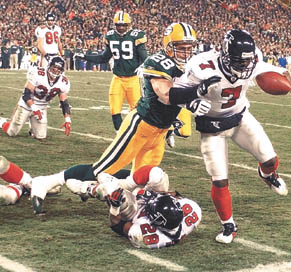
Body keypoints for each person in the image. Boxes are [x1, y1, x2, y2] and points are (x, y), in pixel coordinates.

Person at [31, 22, 215, 213]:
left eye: (189, 48)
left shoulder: (188, 66)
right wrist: (196, 93)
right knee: (101, 170)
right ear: (169, 45)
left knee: (141, 178)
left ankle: (103, 192)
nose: (186, 52)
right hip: (141, 125)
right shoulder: (158, 61)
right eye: (181, 48)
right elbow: (166, 94)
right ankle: (46, 181)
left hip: (160, 131)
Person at [173, 29, 291, 244]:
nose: (245, 67)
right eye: (240, 62)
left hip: (240, 118)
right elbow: (175, 94)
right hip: (212, 127)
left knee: (270, 159)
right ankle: (228, 224)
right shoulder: (202, 65)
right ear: (225, 56)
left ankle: (267, 175)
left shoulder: (252, 58)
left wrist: (282, 81)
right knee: (219, 181)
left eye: (248, 62)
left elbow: (281, 74)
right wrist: (193, 98)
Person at [66, 164, 201, 249]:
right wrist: (156, 195)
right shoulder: (192, 209)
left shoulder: (146, 235)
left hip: (134, 210)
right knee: (157, 174)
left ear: (155, 222)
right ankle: (124, 183)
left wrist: (114, 207)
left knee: (112, 190)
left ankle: (88, 189)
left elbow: (117, 226)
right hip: (150, 197)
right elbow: (170, 196)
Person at [75, 11, 148, 131]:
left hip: (133, 79)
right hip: (118, 78)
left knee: (136, 112)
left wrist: (143, 66)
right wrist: (84, 56)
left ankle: (135, 135)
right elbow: (103, 58)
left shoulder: (136, 36)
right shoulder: (110, 36)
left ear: (128, 25)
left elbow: (144, 57)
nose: (121, 27)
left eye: (123, 25)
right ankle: (119, 136)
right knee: (114, 109)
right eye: (118, 25)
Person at [0, 56, 71, 140]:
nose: (56, 70)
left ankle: (32, 127)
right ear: (49, 66)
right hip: (26, 105)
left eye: (59, 68)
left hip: (41, 108)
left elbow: (64, 102)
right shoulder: (38, 73)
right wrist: (34, 108)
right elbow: (26, 94)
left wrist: (67, 119)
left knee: (41, 136)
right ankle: (2, 122)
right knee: (12, 132)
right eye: (54, 67)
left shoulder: (64, 82)